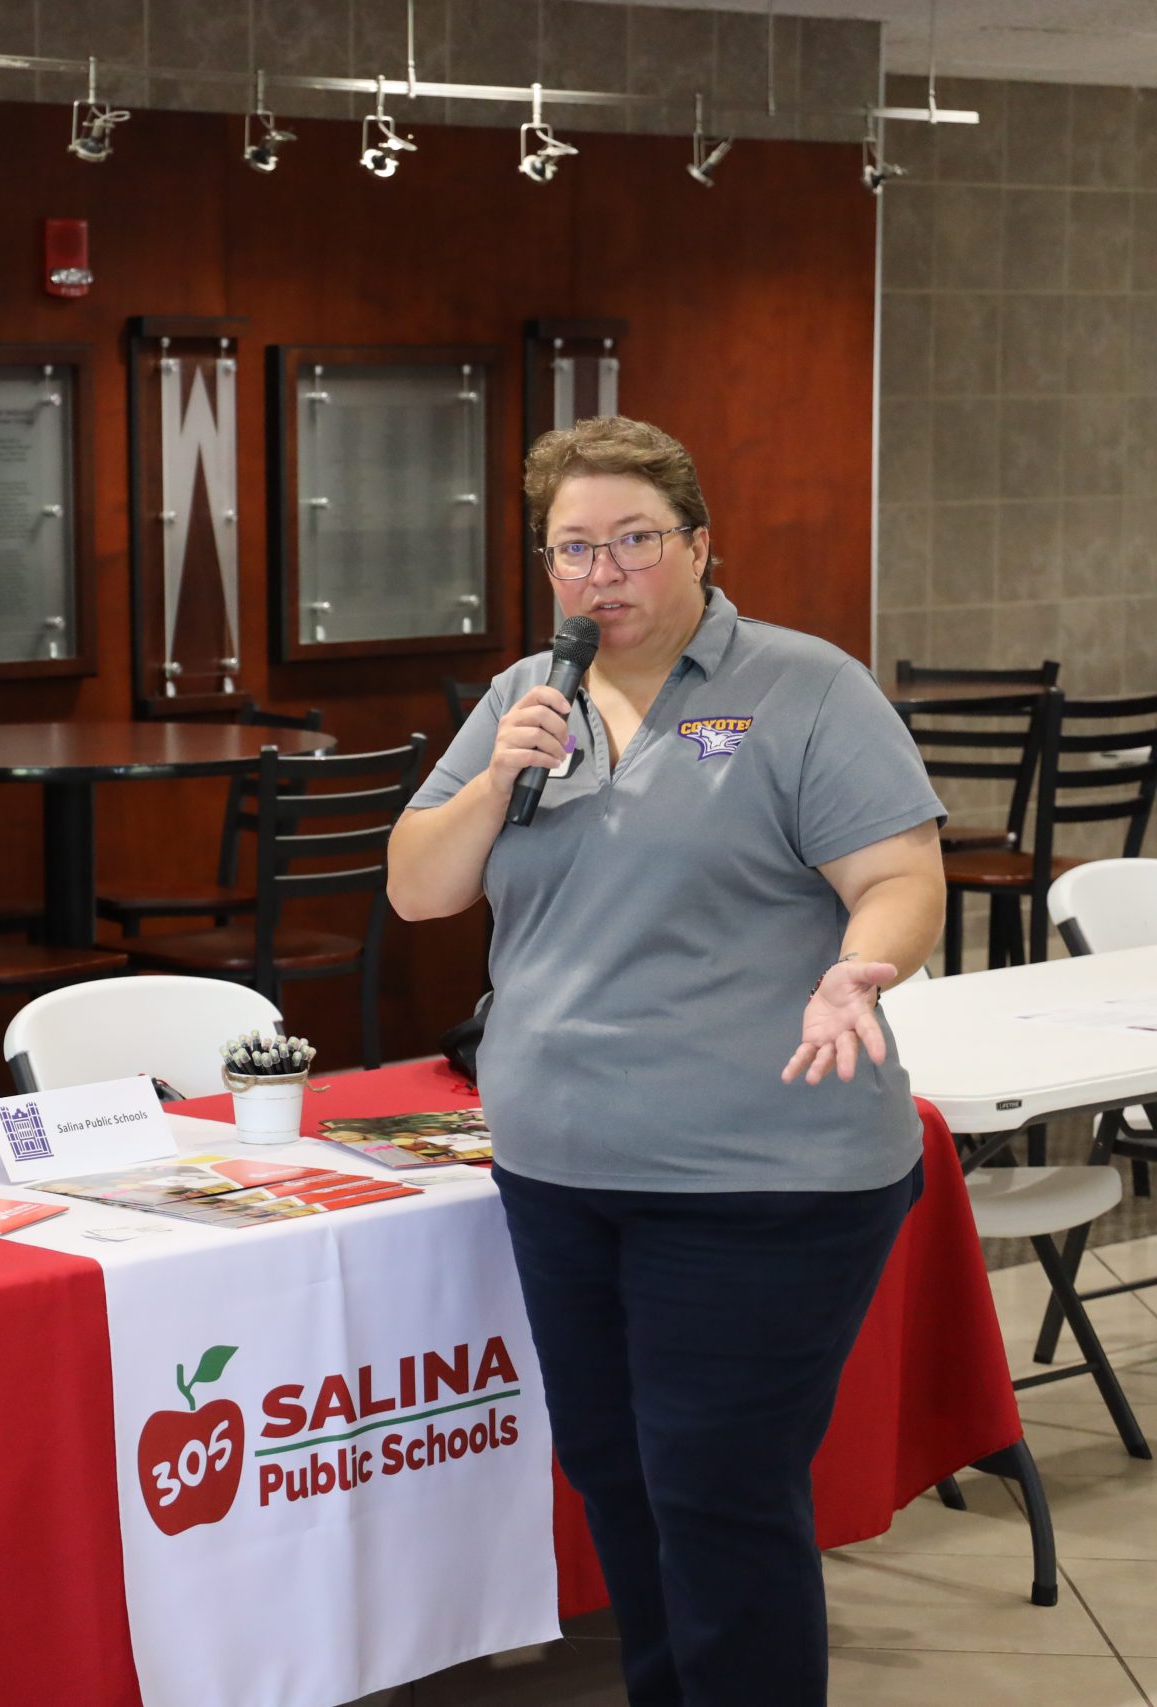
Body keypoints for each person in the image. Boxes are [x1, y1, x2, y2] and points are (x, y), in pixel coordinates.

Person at [387, 417, 945, 1707]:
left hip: (766, 1168)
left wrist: (864, 962)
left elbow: (897, 873)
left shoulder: (803, 687)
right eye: (573, 548)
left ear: (698, 544)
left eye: (634, 541)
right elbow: (419, 892)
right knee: (616, 1474)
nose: (603, 574)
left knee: (718, 1485)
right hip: (560, 1165)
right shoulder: (526, 696)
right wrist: (492, 781)